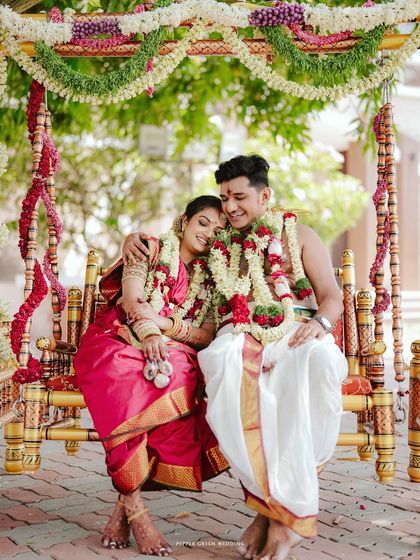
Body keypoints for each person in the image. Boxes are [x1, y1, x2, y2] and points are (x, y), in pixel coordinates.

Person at [124, 155, 348, 560]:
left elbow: (332, 297)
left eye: (239, 196)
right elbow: (176, 247)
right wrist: (131, 244)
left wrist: (321, 326)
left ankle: (277, 520)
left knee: (319, 364)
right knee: (225, 362)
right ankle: (273, 510)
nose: (229, 207)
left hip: (297, 329)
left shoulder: (299, 235)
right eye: (225, 197)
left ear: (265, 195)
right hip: (239, 332)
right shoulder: (220, 243)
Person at [74, 195, 229, 557]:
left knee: (184, 377)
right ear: (185, 221)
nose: (208, 233)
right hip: (117, 338)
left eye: (218, 230)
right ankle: (136, 510)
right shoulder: (150, 248)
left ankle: (123, 507)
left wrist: (167, 327)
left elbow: (205, 334)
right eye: (203, 222)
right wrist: (151, 332)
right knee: (130, 378)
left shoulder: (213, 278)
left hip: (172, 350)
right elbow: (130, 298)